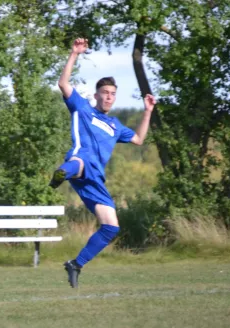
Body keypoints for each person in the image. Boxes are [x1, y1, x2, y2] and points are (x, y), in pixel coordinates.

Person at [49, 38, 156, 288]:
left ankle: (75, 264)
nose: (109, 98)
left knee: (111, 227)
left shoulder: (115, 126)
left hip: (95, 179)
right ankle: (62, 173)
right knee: (79, 160)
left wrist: (147, 111)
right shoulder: (82, 108)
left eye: (112, 95)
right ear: (96, 94)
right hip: (79, 163)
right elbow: (63, 83)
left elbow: (139, 139)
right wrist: (74, 53)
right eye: (105, 93)